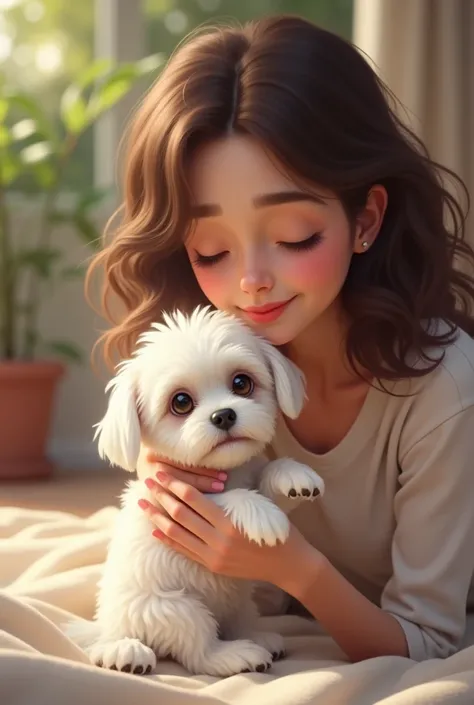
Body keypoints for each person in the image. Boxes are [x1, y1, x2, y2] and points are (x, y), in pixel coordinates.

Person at [86, 14, 474, 665]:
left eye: (295, 236)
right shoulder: (221, 364)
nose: (252, 282)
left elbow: (431, 640)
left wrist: (297, 569)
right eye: (212, 249)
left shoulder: (444, 393)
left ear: (365, 219)